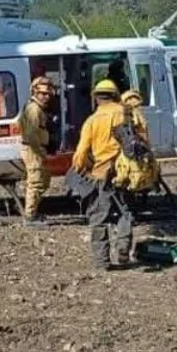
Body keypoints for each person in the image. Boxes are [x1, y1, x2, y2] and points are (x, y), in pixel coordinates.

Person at [71, 79, 135, 269]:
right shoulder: (127, 113)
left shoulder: (92, 121)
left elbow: (80, 155)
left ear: (96, 98)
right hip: (124, 173)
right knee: (125, 212)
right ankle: (123, 246)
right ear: (115, 95)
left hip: (101, 174)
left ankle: (102, 262)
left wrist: (83, 170)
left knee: (99, 219)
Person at [17, 75, 55, 227]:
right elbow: (31, 134)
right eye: (43, 93)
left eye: (48, 94)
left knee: (42, 181)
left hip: (35, 148)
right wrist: (40, 151)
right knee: (36, 182)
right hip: (33, 149)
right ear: (35, 92)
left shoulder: (35, 108)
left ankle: (31, 210)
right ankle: (30, 217)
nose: (46, 97)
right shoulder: (34, 109)